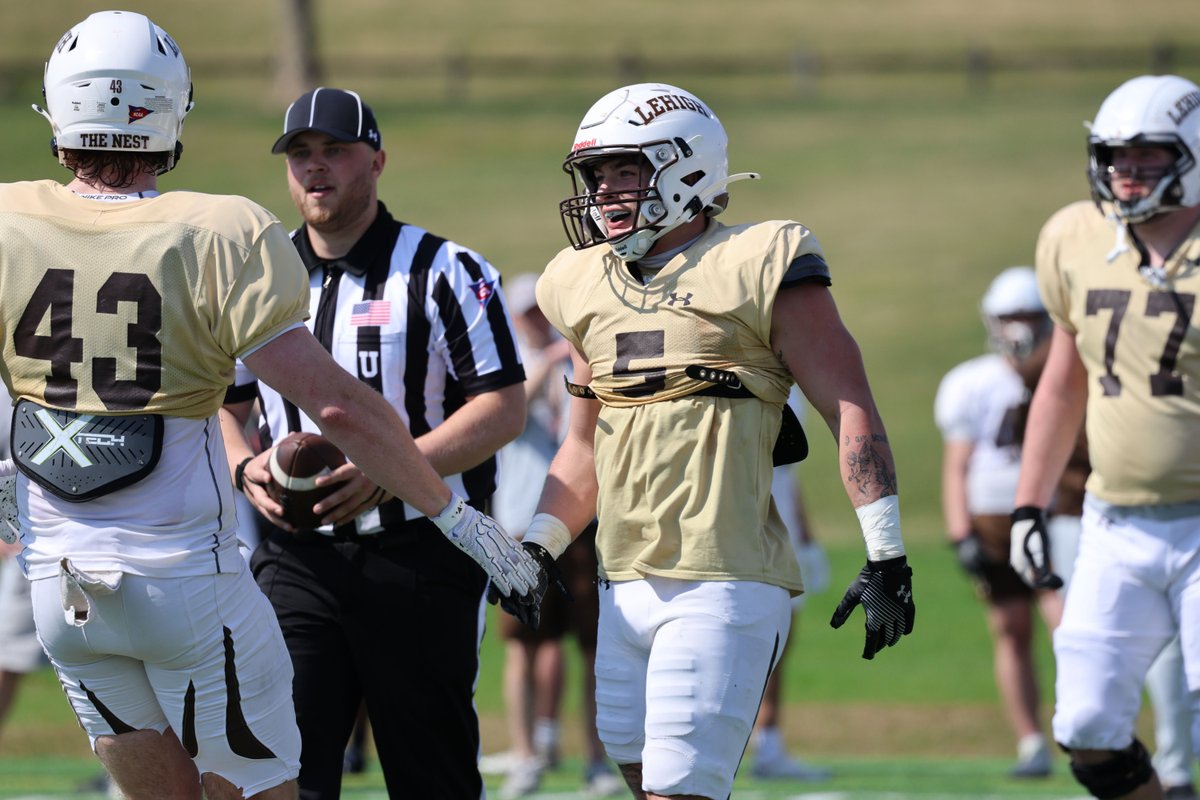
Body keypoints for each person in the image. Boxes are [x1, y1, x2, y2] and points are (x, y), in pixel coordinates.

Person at [0, 13, 540, 800]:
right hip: (189, 579)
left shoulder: (11, 219)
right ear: (170, 110)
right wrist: (459, 519)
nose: (314, 167)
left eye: (335, 150)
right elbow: (337, 406)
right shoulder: (222, 231)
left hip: (63, 583)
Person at [511, 82, 916, 800]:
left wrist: (886, 553)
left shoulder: (761, 259)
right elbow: (583, 445)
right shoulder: (580, 282)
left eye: (626, 170)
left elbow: (849, 405)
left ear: (687, 167)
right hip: (621, 581)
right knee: (644, 783)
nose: (604, 191)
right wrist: (539, 546)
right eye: (596, 174)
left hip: (723, 581)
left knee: (678, 792)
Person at [219, 86, 532, 800]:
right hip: (296, 558)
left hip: (419, 556)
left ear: (377, 161)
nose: (315, 167)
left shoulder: (446, 269)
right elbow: (224, 407)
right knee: (283, 774)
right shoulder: (258, 277)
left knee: (432, 778)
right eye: (300, 153)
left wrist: (393, 469)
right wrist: (244, 467)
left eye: (335, 150)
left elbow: (503, 408)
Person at [1011, 73, 1200, 800]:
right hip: (1115, 522)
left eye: (1149, 156)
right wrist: (1029, 504)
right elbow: (1063, 384)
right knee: (1087, 728)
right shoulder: (1074, 236)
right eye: (1116, 156)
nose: (1127, 172)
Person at [482, 273, 623, 799]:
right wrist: (549, 359)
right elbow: (513, 413)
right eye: (528, 313)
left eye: (544, 313)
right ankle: (525, 755)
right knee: (522, 643)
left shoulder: (580, 363)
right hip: (521, 523)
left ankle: (596, 758)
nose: (538, 322)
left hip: (583, 522)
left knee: (593, 644)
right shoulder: (509, 363)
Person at [935, 266, 1066, 778]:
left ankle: (1083, 729)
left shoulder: (1064, 375)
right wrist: (960, 533)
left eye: (1028, 315)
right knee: (1010, 628)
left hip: (1052, 514)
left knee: (1066, 626)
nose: (1019, 327)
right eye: (1009, 316)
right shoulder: (970, 381)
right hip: (991, 518)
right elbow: (957, 465)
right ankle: (1031, 742)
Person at [748, 386, 833, 782]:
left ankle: (768, 742)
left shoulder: (794, 390)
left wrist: (807, 535)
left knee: (779, 639)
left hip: (782, 532)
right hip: (731, 531)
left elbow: (787, 471)